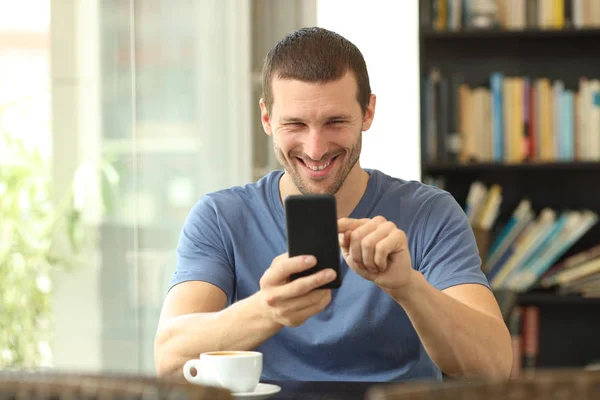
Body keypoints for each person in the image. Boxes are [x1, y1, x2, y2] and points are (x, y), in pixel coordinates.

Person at [154, 27, 512, 383]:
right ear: (267, 119)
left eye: (335, 122)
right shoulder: (221, 218)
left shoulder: (429, 213)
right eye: (295, 124)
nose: (315, 149)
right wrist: (268, 309)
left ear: (368, 112)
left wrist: (408, 287)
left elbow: (494, 367)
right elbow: (169, 359)